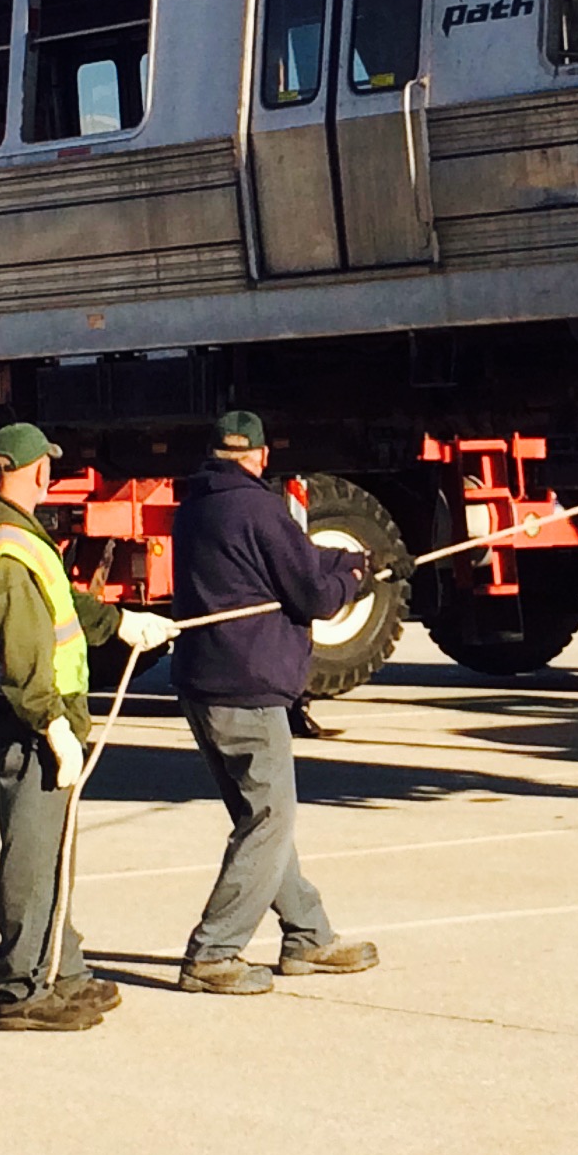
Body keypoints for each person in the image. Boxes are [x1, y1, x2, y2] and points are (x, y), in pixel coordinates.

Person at [0, 422, 174, 1032]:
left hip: (29, 722)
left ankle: (63, 967)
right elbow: (23, 654)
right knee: (31, 859)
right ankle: (22, 990)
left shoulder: (16, 537)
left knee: (52, 853)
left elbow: (64, 608)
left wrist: (121, 622)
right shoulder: (8, 548)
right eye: (47, 466)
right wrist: (54, 724)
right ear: (36, 473)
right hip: (26, 727)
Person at [167, 411, 383, 994]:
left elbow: (285, 567)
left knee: (260, 818)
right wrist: (356, 577)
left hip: (201, 683)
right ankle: (213, 952)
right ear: (261, 456)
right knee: (269, 820)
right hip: (249, 687)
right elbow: (311, 593)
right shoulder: (261, 508)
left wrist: (340, 564)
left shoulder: (195, 508)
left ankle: (307, 936)